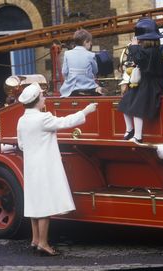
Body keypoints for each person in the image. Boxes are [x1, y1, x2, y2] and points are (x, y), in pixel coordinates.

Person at [17, 82, 97, 256]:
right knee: (45, 205)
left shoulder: (22, 120)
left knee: (35, 202)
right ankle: (44, 243)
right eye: (42, 96)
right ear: (37, 100)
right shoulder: (42, 118)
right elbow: (65, 122)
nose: (44, 98)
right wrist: (86, 111)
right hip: (45, 165)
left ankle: (35, 239)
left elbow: (21, 145)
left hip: (31, 166)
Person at [118, 18, 163, 143]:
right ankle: (130, 130)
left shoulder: (153, 52)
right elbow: (139, 59)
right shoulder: (148, 51)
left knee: (137, 108)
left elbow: (141, 60)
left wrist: (134, 47)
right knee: (125, 103)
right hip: (145, 82)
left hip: (153, 84)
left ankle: (138, 136)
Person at [60, 29, 103, 97]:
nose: (90, 44)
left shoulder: (67, 54)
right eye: (90, 42)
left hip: (71, 90)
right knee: (101, 91)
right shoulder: (91, 55)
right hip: (89, 88)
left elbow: (64, 72)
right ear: (85, 42)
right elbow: (95, 71)